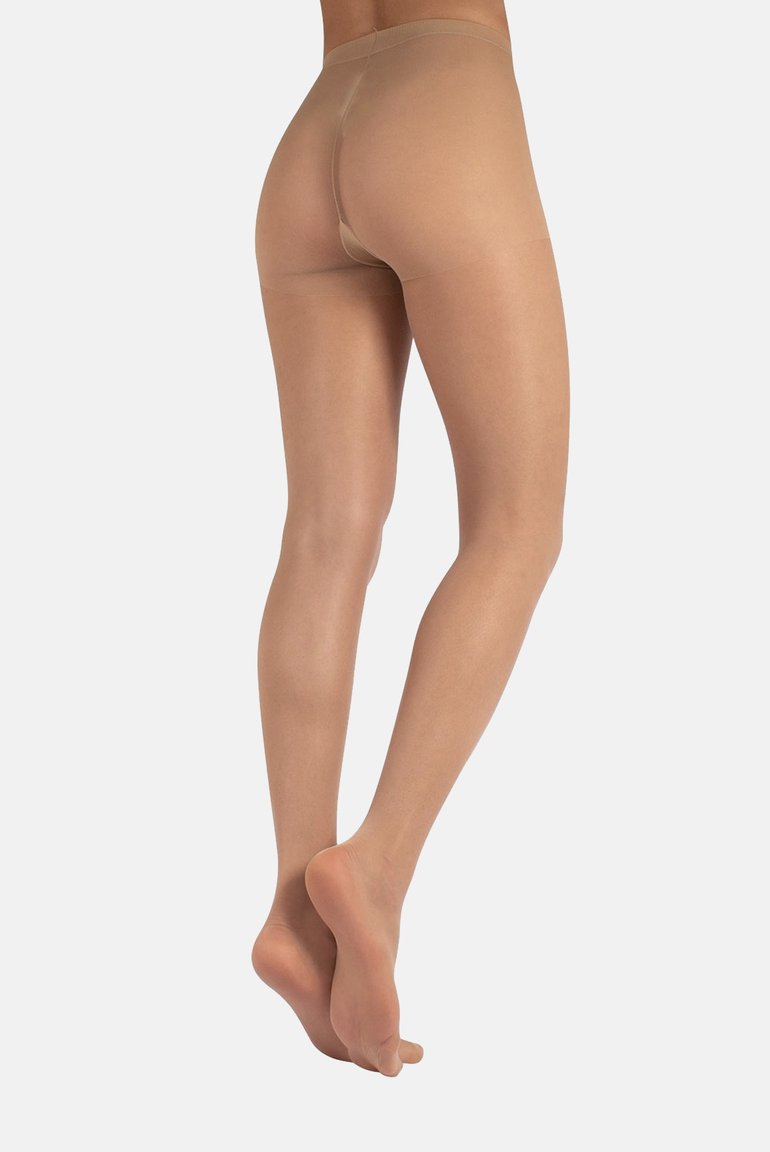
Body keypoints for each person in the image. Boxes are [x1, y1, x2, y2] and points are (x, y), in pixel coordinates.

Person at [251, 0, 570, 1077]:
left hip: (317, 124)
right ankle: (374, 868)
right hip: (446, 99)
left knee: (323, 532)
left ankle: (296, 909)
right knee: (516, 522)